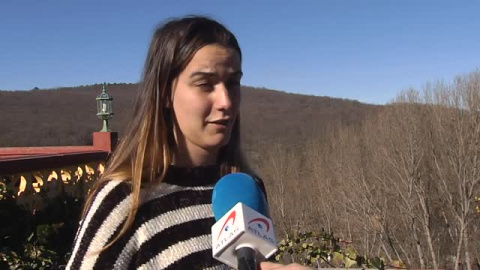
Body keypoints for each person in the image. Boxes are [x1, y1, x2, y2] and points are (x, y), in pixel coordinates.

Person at [66, 15, 311, 270]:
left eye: (233, 82)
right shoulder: (124, 200)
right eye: (205, 84)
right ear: (164, 93)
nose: (226, 101)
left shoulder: (247, 189)